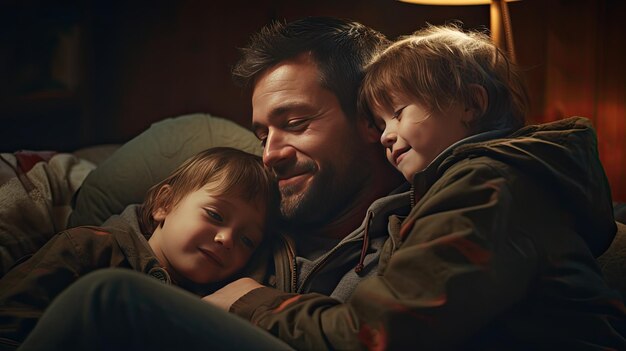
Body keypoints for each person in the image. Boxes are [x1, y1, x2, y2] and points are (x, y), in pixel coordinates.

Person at [15, 18, 624, 350]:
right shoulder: (248, 219)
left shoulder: (438, 213)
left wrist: (246, 300)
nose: (271, 154)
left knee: (107, 303)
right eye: (261, 133)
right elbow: (136, 231)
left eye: (295, 123)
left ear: (368, 121)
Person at [0, 147, 279, 349]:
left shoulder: (213, 307)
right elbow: (10, 319)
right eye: (215, 215)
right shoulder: (89, 247)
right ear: (164, 205)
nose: (226, 239)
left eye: (247, 240)